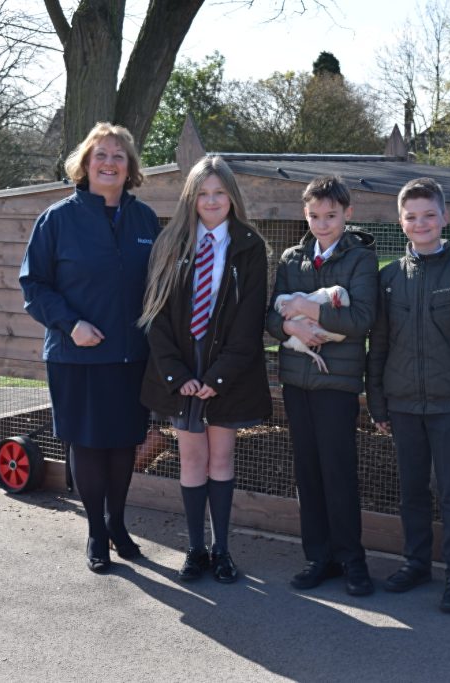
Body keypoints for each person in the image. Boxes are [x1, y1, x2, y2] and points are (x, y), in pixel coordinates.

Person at [19, 122, 159, 573]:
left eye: (119, 156)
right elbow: (33, 284)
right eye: (101, 155)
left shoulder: (144, 220)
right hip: (75, 354)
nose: (110, 163)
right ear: (85, 163)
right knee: (88, 445)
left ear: (130, 167)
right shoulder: (57, 218)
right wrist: (70, 323)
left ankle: (117, 525)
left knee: (124, 445)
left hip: (130, 356)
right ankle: (96, 533)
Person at [139, 156, 271, 584]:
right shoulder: (171, 243)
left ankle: (222, 550)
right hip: (181, 369)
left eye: (219, 193)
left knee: (221, 457)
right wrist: (179, 376)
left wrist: (216, 378)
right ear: (190, 198)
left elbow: (250, 321)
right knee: (191, 458)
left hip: (225, 371)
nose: (211, 201)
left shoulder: (250, 246)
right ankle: (195, 549)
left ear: (232, 196)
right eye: (203, 193)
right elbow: (154, 316)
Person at [366, 178, 450, 614]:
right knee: (412, 490)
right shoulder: (387, 279)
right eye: (411, 216)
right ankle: (416, 563)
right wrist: (378, 402)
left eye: (429, 215)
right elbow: (377, 346)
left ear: (444, 218)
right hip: (401, 405)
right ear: (401, 223)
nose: (421, 223)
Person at [266, 175, 379, 596]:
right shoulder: (292, 258)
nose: (322, 223)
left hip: (337, 381)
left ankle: (353, 559)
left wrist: (309, 311)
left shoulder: (360, 258)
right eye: (314, 215)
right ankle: (319, 556)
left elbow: (362, 318)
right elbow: (271, 320)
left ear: (347, 214)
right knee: (308, 471)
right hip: (297, 379)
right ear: (305, 214)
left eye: (331, 215)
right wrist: (290, 323)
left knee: (338, 470)